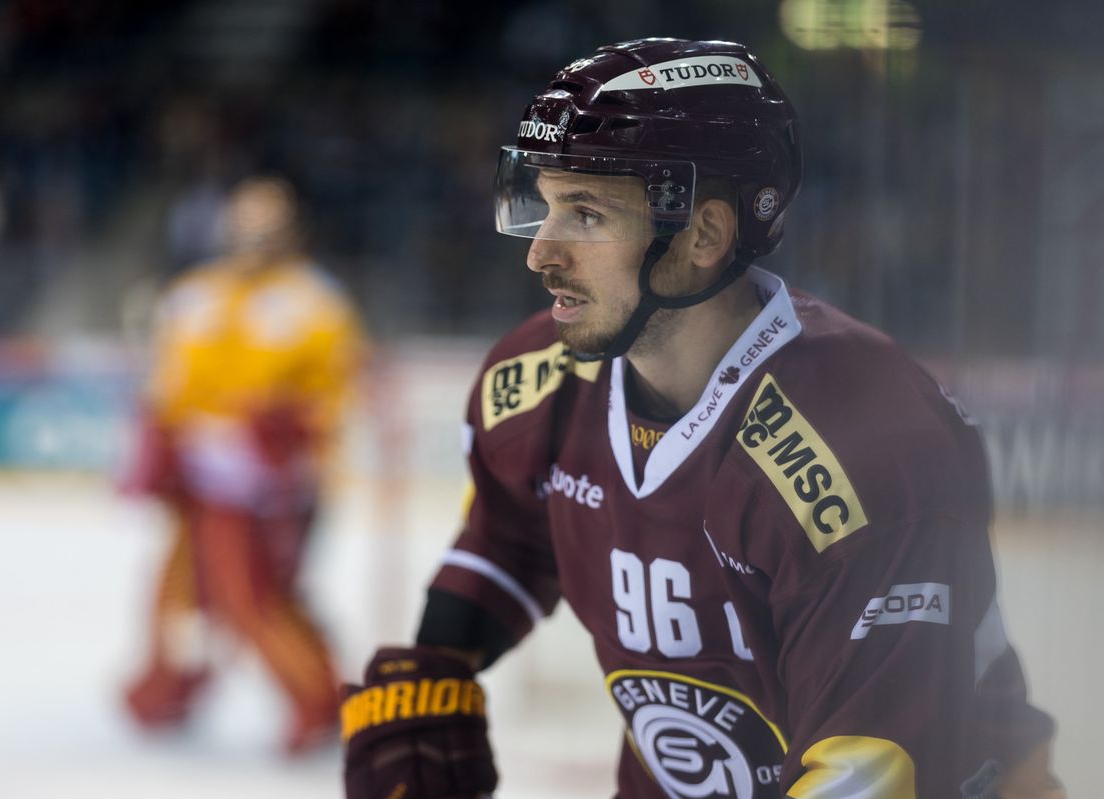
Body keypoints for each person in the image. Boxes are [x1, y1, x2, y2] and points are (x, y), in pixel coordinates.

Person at [341, 39, 1063, 797]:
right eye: (545, 205)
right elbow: (508, 532)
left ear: (705, 236)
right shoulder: (539, 384)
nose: (541, 252)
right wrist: (437, 665)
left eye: (586, 214)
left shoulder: (866, 448)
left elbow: (874, 773)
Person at [122, 176, 363, 754]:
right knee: (181, 592)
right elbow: (165, 382)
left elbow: (333, 395)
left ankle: (314, 698)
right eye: (243, 225)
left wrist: (289, 436)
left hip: (273, 487)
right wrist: (158, 445)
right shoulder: (193, 295)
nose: (252, 239)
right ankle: (171, 686)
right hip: (200, 479)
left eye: (267, 227)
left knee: (254, 596)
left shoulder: (315, 302)